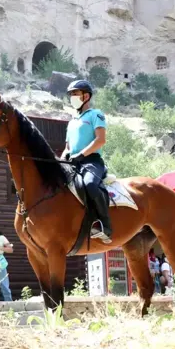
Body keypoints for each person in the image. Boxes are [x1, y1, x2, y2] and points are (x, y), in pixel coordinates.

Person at [61, 80, 112, 243]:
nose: (72, 97)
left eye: (75, 94)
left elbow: (100, 140)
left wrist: (81, 155)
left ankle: (104, 225)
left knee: (89, 184)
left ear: (86, 96)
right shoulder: (71, 122)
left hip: (92, 161)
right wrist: (62, 160)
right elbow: (67, 147)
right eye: (70, 95)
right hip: (74, 163)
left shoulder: (95, 114)